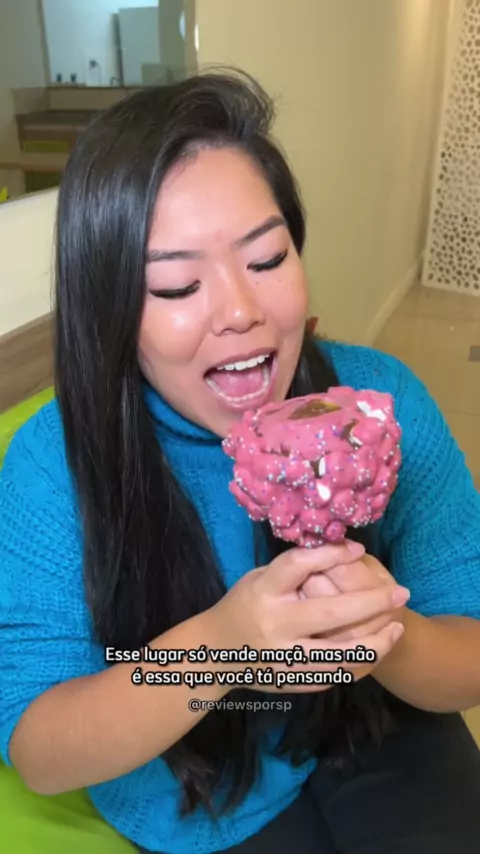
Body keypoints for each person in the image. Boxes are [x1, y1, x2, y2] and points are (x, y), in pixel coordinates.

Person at [0, 70, 480, 854]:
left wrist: (382, 629)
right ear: (109, 311)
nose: (241, 312)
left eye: (266, 258)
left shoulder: (382, 402)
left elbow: (471, 642)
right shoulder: (54, 465)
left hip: (370, 720)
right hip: (191, 790)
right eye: (177, 284)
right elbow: (39, 746)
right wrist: (227, 647)